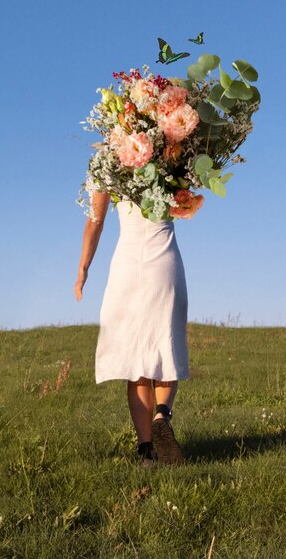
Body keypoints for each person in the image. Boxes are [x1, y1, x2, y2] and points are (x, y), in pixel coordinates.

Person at [74, 190, 189, 468]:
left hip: (127, 264)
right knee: (165, 342)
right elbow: (184, 205)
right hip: (164, 259)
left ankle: (147, 450)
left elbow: (95, 221)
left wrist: (82, 269)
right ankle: (162, 415)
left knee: (135, 357)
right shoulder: (173, 159)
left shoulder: (108, 169)